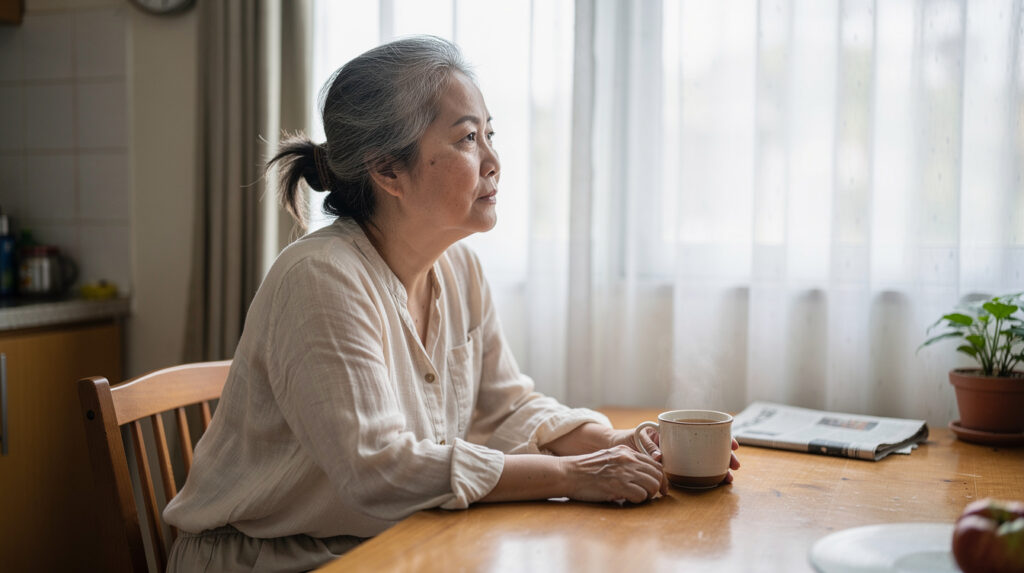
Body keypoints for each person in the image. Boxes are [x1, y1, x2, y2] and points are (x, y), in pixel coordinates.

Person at [164, 36, 739, 572]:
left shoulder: (457, 266)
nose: (493, 161)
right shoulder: (321, 279)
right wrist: (570, 474)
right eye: (467, 138)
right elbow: (378, 470)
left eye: (491, 134)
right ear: (388, 169)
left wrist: (612, 444)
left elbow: (504, 406)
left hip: (388, 540)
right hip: (272, 558)